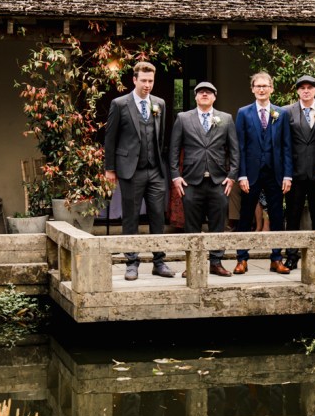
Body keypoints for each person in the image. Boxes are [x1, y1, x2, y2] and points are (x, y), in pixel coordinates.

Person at [104, 61, 174, 280]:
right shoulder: (120, 104)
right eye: (143, 80)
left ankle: (159, 262)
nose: (147, 85)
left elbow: (161, 135)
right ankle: (131, 263)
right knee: (131, 217)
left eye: (150, 81)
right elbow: (110, 138)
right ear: (134, 80)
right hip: (130, 171)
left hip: (155, 170)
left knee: (157, 216)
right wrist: (110, 168)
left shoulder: (159, 103)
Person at [169, 81, 239, 277]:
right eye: (201, 92)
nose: (205, 94)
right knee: (191, 224)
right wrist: (176, 176)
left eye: (209, 92)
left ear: (215, 97)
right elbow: (174, 149)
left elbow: (234, 150)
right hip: (191, 181)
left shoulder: (225, 119)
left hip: (218, 181)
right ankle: (192, 264)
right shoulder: (183, 118)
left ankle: (216, 262)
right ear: (196, 97)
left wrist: (232, 176)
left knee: (218, 224)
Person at [234, 72, 293, 275]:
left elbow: (286, 146)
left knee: (277, 216)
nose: (261, 89)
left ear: (271, 89)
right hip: (251, 174)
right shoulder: (243, 113)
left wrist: (287, 175)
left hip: (275, 173)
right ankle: (242, 258)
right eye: (257, 86)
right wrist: (241, 175)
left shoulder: (281, 114)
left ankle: (276, 258)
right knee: (246, 216)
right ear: (252, 89)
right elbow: (239, 147)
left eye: (265, 86)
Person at [283, 75, 315, 270]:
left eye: (310, 87)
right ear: (298, 91)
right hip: (295, 172)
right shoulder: (287, 112)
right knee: (292, 215)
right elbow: (284, 144)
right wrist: (286, 173)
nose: (306, 91)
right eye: (302, 88)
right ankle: (292, 255)